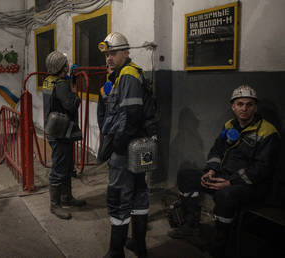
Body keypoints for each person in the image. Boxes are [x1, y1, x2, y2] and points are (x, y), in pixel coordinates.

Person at [167, 85, 280, 257]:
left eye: (249, 104)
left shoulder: (268, 132)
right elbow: (216, 151)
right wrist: (211, 171)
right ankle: (191, 225)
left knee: (225, 195)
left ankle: (220, 243)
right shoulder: (229, 125)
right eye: (240, 104)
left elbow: (262, 169)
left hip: (252, 185)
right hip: (223, 176)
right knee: (186, 176)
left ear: (255, 107)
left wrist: (230, 182)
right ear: (233, 106)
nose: (244, 108)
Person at [97, 32, 149, 258]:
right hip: (140, 144)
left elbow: (130, 114)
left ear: (126, 52)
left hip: (127, 147)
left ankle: (116, 252)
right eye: (107, 54)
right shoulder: (127, 73)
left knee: (118, 195)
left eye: (113, 53)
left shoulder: (127, 75)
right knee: (139, 192)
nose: (109, 58)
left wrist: (117, 145)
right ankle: (139, 245)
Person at [44, 51, 85, 220]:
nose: (68, 66)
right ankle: (55, 205)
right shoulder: (61, 85)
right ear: (62, 67)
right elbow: (71, 105)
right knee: (59, 168)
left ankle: (66, 197)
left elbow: (59, 94)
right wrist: (75, 92)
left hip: (56, 129)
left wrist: (70, 79)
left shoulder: (49, 81)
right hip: (61, 133)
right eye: (66, 64)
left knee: (67, 165)